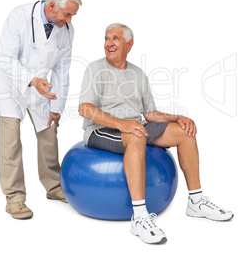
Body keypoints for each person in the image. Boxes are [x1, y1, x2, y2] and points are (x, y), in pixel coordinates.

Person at [79, 23, 233, 244]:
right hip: (101, 130)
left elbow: (149, 113)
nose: (109, 43)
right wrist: (123, 124)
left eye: (115, 39)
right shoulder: (95, 69)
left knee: (185, 132)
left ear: (129, 44)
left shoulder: (137, 73)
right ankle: (140, 217)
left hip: (135, 126)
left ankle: (196, 202)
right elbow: (85, 108)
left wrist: (176, 118)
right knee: (137, 135)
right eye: (106, 38)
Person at [0, 0, 82, 219]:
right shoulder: (19, 17)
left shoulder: (67, 31)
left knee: (49, 136)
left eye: (72, 15)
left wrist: (57, 107)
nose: (70, 20)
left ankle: (54, 188)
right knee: (11, 141)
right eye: (67, 14)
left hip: (41, 88)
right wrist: (31, 80)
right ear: (52, 5)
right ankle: (15, 198)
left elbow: (62, 72)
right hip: (10, 85)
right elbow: (4, 58)